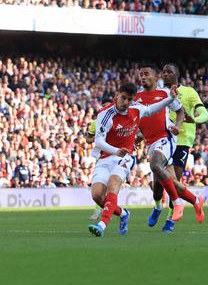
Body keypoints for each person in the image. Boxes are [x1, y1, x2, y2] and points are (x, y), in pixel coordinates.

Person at [88, 82, 179, 237]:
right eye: (123, 98)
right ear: (117, 96)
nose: (126, 102)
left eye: (129, 99)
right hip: (106, 157)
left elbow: (151, 109)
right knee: (97, 196)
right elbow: (98, 142)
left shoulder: (136, 109)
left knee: (113, 184)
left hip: (126, 157)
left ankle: (102, 225)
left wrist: (170, 98)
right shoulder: (105, 114)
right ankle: (123, 214)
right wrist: (116, 150)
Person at [136, 65, 204, 232]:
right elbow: (141, 117)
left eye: (146, 74)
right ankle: (187, 201)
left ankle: (173, 213)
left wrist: (183, 124)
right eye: (141, 75)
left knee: (159, 168)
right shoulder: (136, 97)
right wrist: (137, 136)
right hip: (152, 142)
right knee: (160, 187)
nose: (143, 77)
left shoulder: (173, 93)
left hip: (173, 140)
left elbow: (189, 112)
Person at [155, 63, 208, 232]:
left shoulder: (189, 92)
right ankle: (158, 206)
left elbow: (204, 113)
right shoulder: (159, 94)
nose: (165, 74)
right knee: (158, 185)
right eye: (163, 72)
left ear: (177, 75)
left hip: (181, 141)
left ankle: (171, 220)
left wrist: (195, 119)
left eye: (169, 71)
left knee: (174, 181)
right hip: (162, 140)